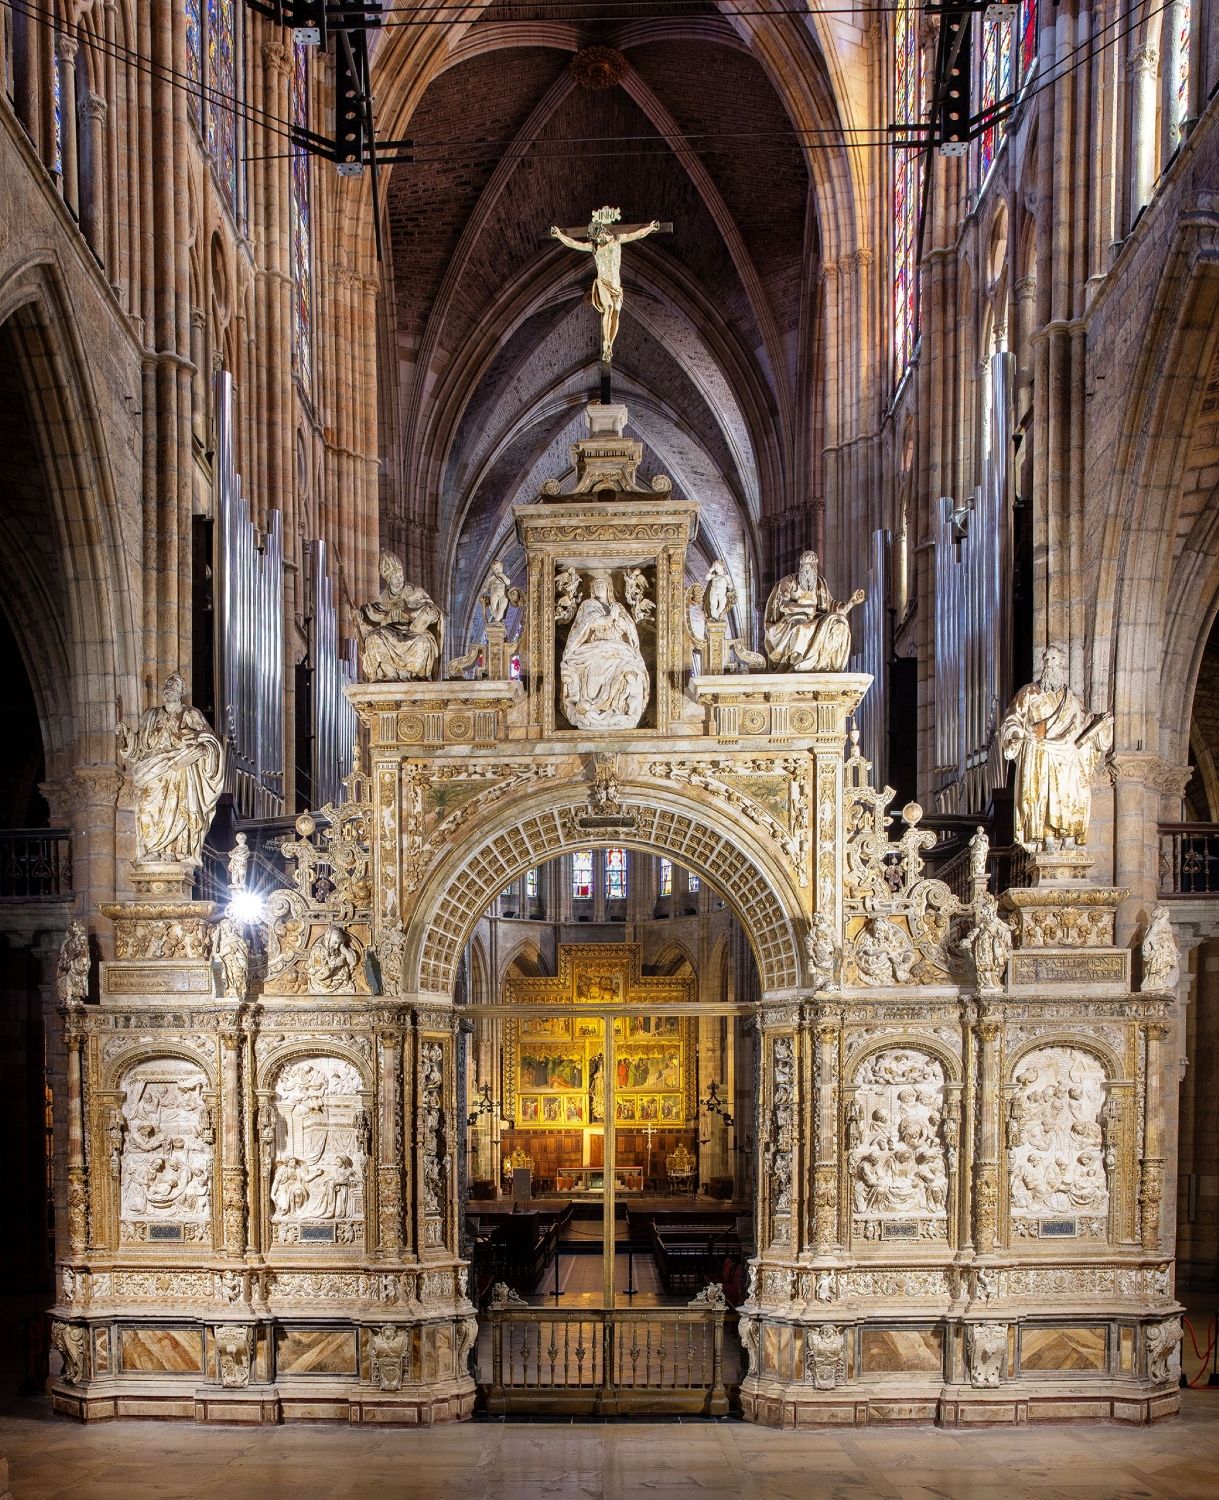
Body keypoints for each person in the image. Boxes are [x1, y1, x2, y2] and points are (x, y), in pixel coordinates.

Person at [998, 643, 1113, 851]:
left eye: (1053, 659)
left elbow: (1086, 721)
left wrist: (1101, 723)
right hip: (1040, 751)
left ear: (1061, 665)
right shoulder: (1029, 692)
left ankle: (1069, 839)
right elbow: (1012, 719)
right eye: (1046, 659)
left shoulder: (1071, 699)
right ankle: (1047, 839)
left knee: (1070, 794)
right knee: (1044, 795)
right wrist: (1015, 734)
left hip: (1067, 755)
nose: (1049, 663)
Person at [116, 673, 225, 864]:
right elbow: (139, 748)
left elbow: (209, 739)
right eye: (167, 684)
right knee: (146, 808)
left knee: (178, 807)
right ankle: (152, 848)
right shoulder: (151, 715)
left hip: (178, 769)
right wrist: (125, 735)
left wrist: (200, 748)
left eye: (174, 684)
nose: (169, 687)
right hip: (152, 770)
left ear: (182, 691)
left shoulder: (190, 714)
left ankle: (173, 851)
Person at [550, 206, 662, 363]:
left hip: (616, 285)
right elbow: (574, 243)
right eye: (595, 239)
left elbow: (636, 234)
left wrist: (650, 228)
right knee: (609, 307)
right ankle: (606, 342)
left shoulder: (618, 240)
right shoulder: (594, 247)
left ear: (602, 231)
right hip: (602, 282)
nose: (597, 240)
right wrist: (559, 235)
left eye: (598, 237)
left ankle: (610, 345)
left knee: (616, 310)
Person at [560, 570, 650, 729]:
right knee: (593, 664)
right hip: (595, 647)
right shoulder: (588, 604)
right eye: (597, 585)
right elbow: (586, 625)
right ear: (592, 590)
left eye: (603, 584)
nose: (600, 587)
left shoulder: (618, 606)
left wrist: (622, 624)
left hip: (618, 647)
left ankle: (620, 709)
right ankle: (591, 708)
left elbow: (629, 627)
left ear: (609, 588)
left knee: (631, 667)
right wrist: (609, 618)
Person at [763, 551, 864, 672]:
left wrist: (851, 602)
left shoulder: (820, 583)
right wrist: (805, 608)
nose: (807, 570)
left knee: (840, 623)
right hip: (793, 618)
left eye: (810, 564)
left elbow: (832, 606)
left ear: (815, 564)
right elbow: (783, 605)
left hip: (817, 618)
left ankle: (825, 663)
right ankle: (800, 664)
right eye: (804, 564)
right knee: (800, 627)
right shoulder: (788, 581)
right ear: (800, 563)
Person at [357, 551, 440, 682]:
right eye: (395, 578)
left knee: (422, 643)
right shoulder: (383, 597)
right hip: (390, 631)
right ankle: (388, 676)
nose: (399, 580)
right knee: (373, 638)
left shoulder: (415, 591)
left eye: (400, 576)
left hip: (413, 632)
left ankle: (415, 676)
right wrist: (361, 615)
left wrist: (425, 612)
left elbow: (434, 614)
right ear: (388, 580)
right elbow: (376, 616)